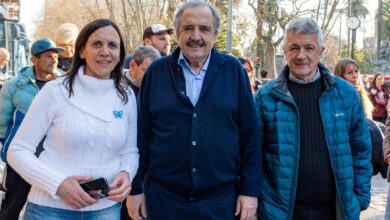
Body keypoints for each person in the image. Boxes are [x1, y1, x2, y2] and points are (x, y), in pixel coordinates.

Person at [127, 1, 261, 220]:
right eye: (188, 28)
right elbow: (140, 136)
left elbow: (250, 136)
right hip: (164, 201)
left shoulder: (233, 71)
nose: (196, 36)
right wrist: (135, 189)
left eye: (204, 29)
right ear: (178, 33)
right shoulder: (155, 73)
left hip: (222, 202)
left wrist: (249, 190)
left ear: (215, 33)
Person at [7, 19, 139, 220]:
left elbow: (130, 151)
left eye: (112, 45)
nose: (105, 51)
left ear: (120, 53)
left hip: (106, 210)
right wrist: (57, 184)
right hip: (49, 211)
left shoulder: (126, 96)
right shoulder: (55, 91)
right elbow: (17, 151)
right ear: (82, 51)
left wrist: (126, 173)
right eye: (97, 44)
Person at [254, 17, 371, 219]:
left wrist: (359, 198)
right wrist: (262, 202)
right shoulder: (265, 97)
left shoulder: (345, 93)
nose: (301, 55)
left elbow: (360, 149)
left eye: (309, 48)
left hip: (335, 210)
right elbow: (252, 153)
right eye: (294, 48)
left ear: (321, 51)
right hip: (281, 212)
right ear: (284, 51)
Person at [0, 38, 65, 220]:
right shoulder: (14, 85)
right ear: (34, 60)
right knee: (12, 206)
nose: (54, 60)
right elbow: (2, 121)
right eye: (48, 56)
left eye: (55, 57)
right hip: (20, 158)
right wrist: (8, 148)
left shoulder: (64, 84)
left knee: (48, 210)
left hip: (52, 159)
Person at [334, 58, 387, 179]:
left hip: (363, 157)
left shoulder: (360, 94)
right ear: (340, 76)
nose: (355, 75)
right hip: (348, 157)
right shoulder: (337, 96)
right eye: (350, 72)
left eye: (356, 71)